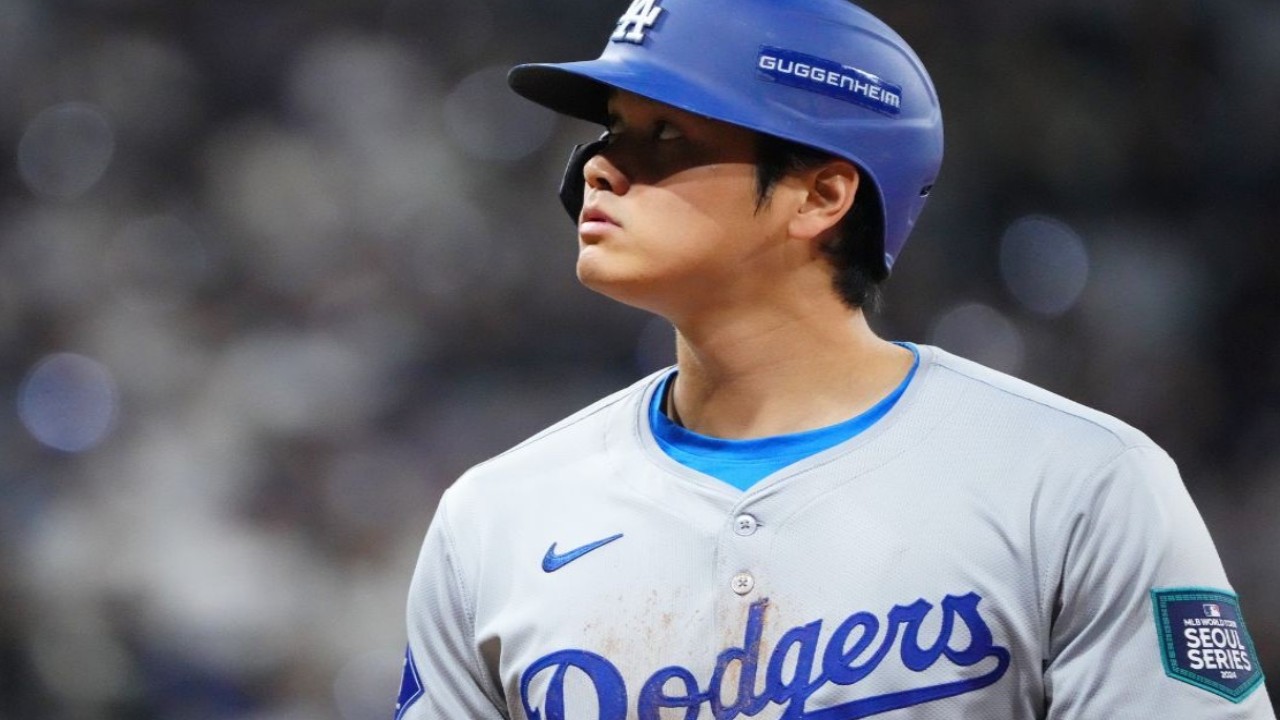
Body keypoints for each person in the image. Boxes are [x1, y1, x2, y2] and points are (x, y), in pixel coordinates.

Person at [395, 0, 1274, 717]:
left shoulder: (1077, 486)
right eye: (611, 130)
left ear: (822, 194)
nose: (597, 168)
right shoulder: (494, 520)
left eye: (664, 137)